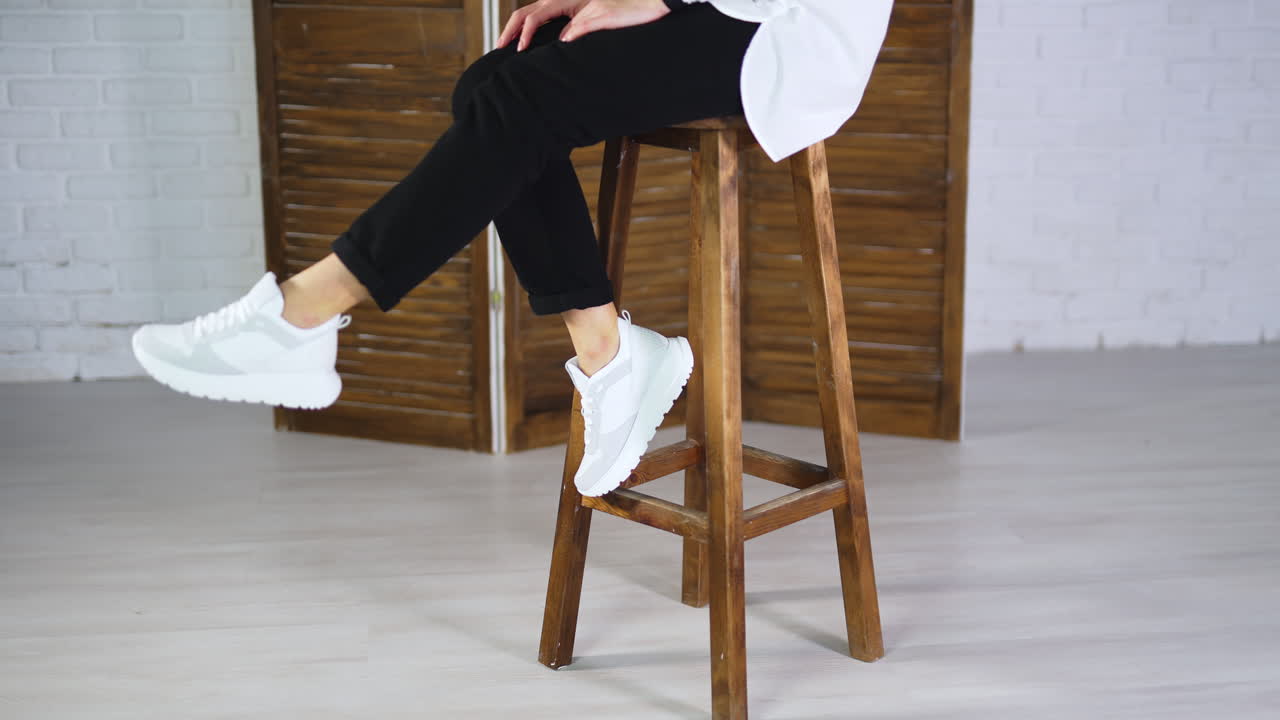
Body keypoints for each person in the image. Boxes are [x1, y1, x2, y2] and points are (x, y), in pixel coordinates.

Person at [130, 0, 894, 497]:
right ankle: (608, 349)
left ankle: (306, 308)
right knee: (493, 81)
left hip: (787, 26)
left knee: (521, 98)